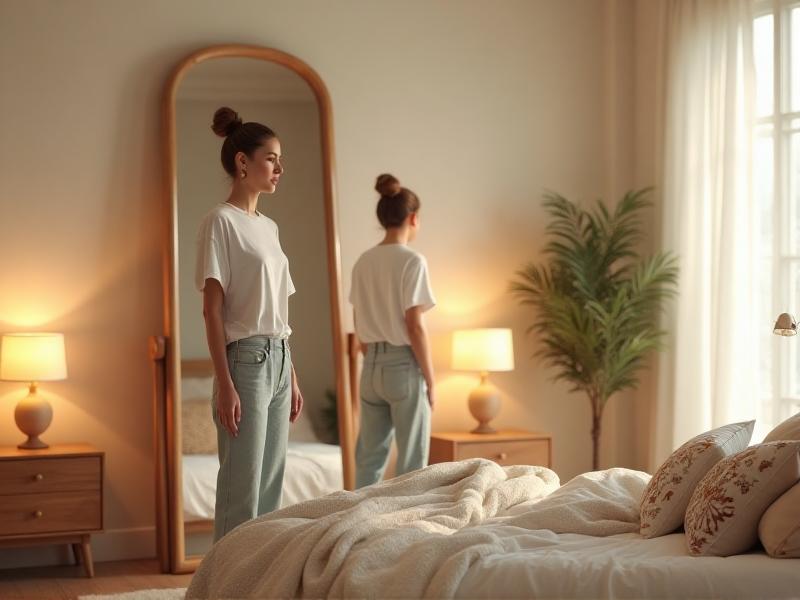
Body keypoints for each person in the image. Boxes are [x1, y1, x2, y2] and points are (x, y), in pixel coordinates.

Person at [196, 106, 304, 541]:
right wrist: (224, 382)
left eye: (280, 159)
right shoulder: (219, 222)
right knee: (242, 484)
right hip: (245, 362)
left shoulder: (270, 227)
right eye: (272, 158)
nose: (280, 167)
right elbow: (212, 310)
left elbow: (279, 312)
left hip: (278, 359)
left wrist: (291, 373)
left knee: (270, 488)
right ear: (243, 162)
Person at [349, 174, 436, 488]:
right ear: (413, 218)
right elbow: (415, 326)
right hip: (403, 367)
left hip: (370, 368)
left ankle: (358, 527)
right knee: (412, 463)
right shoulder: (413, 261)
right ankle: (404, 530)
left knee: (369, 461)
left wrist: (371, 358)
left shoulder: (363, 262)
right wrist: (429, 377)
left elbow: (358, 324)